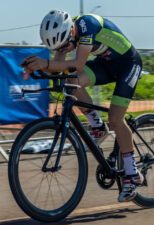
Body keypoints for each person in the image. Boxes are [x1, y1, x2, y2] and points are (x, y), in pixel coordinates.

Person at [21, 10, 143, 202]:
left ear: (71, 30)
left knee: (116, 119)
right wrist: (37, 67)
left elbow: (78, 63)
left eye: (64, 44)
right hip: (106, 64)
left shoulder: (88, 26)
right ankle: (97, 126)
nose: (63, 48)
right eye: (59, 47)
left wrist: (45, 63)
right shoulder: (66, 36)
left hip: (128, 64)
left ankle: (132, 174)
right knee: (70, 82)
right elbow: (58, 66)